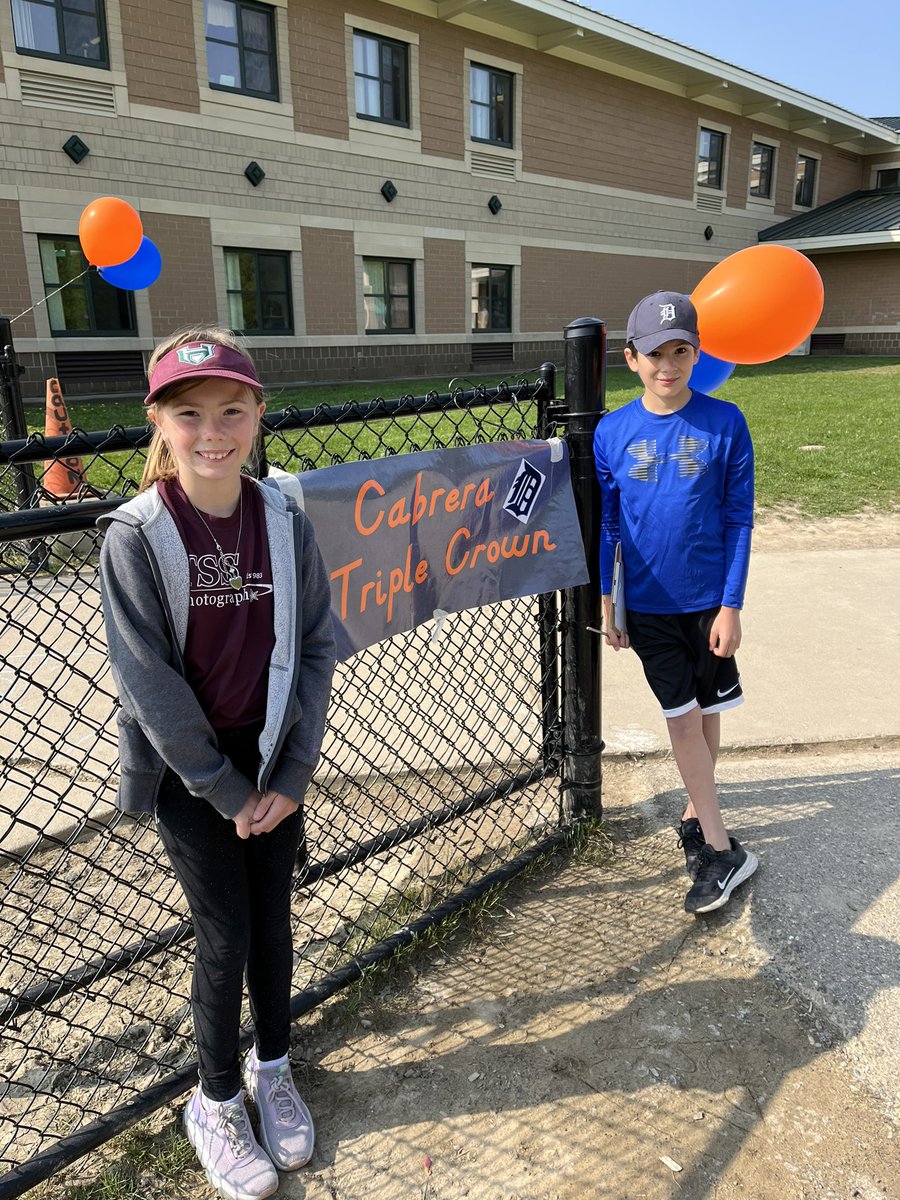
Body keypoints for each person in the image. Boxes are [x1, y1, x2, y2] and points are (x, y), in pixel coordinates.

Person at [97, 327, 336, 1200]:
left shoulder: (285, 518)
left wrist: (290, 776)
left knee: (272, 922)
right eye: (189, 414)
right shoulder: (136, 536)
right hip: (190, 771)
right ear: (159, 422)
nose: (212, 432)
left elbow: (316, 646)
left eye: (231, 410)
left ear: (258, 414)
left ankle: (273, 1068)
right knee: (225, 932)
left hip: (271, 759)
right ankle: (217, 1099)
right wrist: (227, 791)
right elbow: (149, 685)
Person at [593, 291, 758, 915]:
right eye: (655, 353)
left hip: (708, 601)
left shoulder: (726, 422)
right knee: (681, 718)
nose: (668, 365)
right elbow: (609, 525)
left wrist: (731, 605)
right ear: (631, 358)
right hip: (650, 607)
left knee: (707, 709)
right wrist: (608, 601)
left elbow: (738, 519)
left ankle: (695, 814)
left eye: (680, 351)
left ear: (697, 354)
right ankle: (722, 849)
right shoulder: (612, 431)